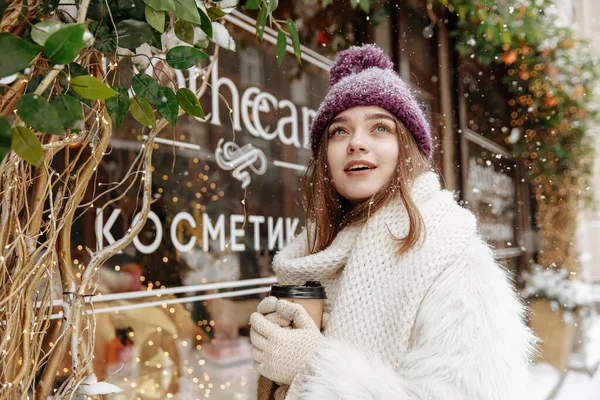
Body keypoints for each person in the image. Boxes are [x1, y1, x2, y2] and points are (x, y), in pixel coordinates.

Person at [248, 44, 537, 400]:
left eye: (380, 128)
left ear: (407, 149)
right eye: (339, 131)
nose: (356, 142)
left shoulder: (452, 256)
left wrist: (311, 367)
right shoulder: (314, 252)